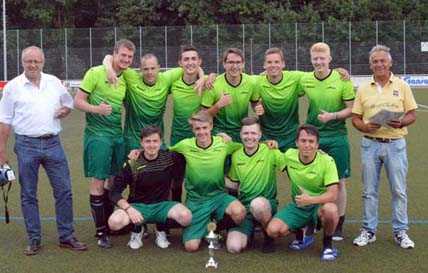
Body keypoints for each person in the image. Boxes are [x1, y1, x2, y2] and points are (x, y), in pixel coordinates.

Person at [0, 46, 87, 255]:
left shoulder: (54, 82)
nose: (32, 65)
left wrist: (65, 110)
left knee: (64, 190)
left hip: (53, 143)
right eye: (28, 61)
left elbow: (68, 104)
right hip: (25, 145)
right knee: (28, 194)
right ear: (22, 63)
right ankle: (34, 238)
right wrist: (1, 153)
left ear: (43, 62)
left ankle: (66, 236)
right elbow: (4, 121)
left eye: (36, 61)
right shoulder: (12, 87)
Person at [352, 45, 417, 249]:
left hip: (395, 145)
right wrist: (365, 126)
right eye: (375, 61)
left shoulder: (402, 85)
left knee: (398, 190)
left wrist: (402, 122)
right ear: (371, 64)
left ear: (390, 63)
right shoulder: (363, 88)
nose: (379, 64)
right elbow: (355, 118)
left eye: (383, 61)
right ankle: (369, 231)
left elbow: (412, 113)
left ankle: (400, 232)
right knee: (369, 191)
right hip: (370, 145)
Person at [74, 39, 135, 248]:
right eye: (122, 55)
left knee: (113, 181)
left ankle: (110, 225)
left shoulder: (126, 76)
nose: (126, 60)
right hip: (98, 135)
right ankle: (100, 233)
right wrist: (96, 109)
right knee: (98, 182)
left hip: (117, 136)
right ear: (114, 54)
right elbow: (78, 101)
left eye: (129, 57)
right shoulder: (95, 72)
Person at [299, 42, 354, 240]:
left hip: (337, 137)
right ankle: (312, 220)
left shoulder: (342, 79)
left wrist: (333, 116)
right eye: (315, 58)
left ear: (330, 59)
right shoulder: (304, 79)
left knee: (338, 181)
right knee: (310, 179)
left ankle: (338, 223)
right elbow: (279, 77)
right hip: (314, 137)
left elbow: (352, 108)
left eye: (323, 58)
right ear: (311, 60)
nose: (319, 62)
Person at [169, 111, 246, 252]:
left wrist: (268, 144)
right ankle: (206, 227)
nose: (201, 132)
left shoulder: (222, 143)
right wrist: (138, 152)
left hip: (219, 196)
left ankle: (215, 227)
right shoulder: (184, 145)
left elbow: (245, 148)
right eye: (197, 129)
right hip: (196, 200)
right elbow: (163, 152)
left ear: (211, 127)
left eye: (204, 128)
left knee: (239, 212)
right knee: (191, 247)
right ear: (193, 129)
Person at [108, 126, 191, 250]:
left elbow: (196, 148)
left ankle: (160, 229)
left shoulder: (170, 158)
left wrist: (222, 138)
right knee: (114, 223)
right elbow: (114, 192)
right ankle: (137, 230)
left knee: (186, 217)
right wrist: (129, 209)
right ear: (141, 143)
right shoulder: (133, 162)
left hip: (162, 205)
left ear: (161, 142)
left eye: (155, 141)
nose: (151, 145)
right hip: (138, 207)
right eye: (147, 141)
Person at [266, 124, 340, 261]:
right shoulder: (289, 155)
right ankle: (302, 230)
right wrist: (269, 143)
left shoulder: (327, 161)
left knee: (331, 209)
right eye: (303, 141)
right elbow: (270, 150)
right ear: (296, 143)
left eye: (311, 141)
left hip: (319, 206)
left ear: (317, 145)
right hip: (299, 206)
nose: (307, 145)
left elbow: (333, 194)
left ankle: (327, 245)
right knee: (273, 230)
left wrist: (310, 200)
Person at [226, 117, 286, 253]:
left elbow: (293, 164)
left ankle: (268, 237)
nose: (249, 137)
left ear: (260, 135)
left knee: (258, 205)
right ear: (240, 135)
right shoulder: (236, 155)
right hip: (245, 208)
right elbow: (234, 185)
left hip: (266, 205)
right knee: (233, 247)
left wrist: (318, 154)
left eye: (253, 133)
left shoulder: (270, 151)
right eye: (246, 133)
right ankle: (250, 229)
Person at [201, 47, 263, 142]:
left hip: (242, 133)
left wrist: (257, 107)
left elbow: (254, 103)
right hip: (219, 133)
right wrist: (218, 105)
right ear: (224, 64)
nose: (234, 66)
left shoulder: (251, 82)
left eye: (238, 62)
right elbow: (203, 116)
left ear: (243, 64)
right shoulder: (213, 84)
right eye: (230, 62)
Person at [254, 47, 305, 152]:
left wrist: (337, 71)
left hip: (291, 137)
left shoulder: (295, 78)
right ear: (264, 65)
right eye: (269, 62)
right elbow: (234, 77)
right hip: (266, 138)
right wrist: (213, 76)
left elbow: (318, 75)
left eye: (277, 62)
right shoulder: (256, 82)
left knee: (289, 168)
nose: (273, 65)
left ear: (283, 64)